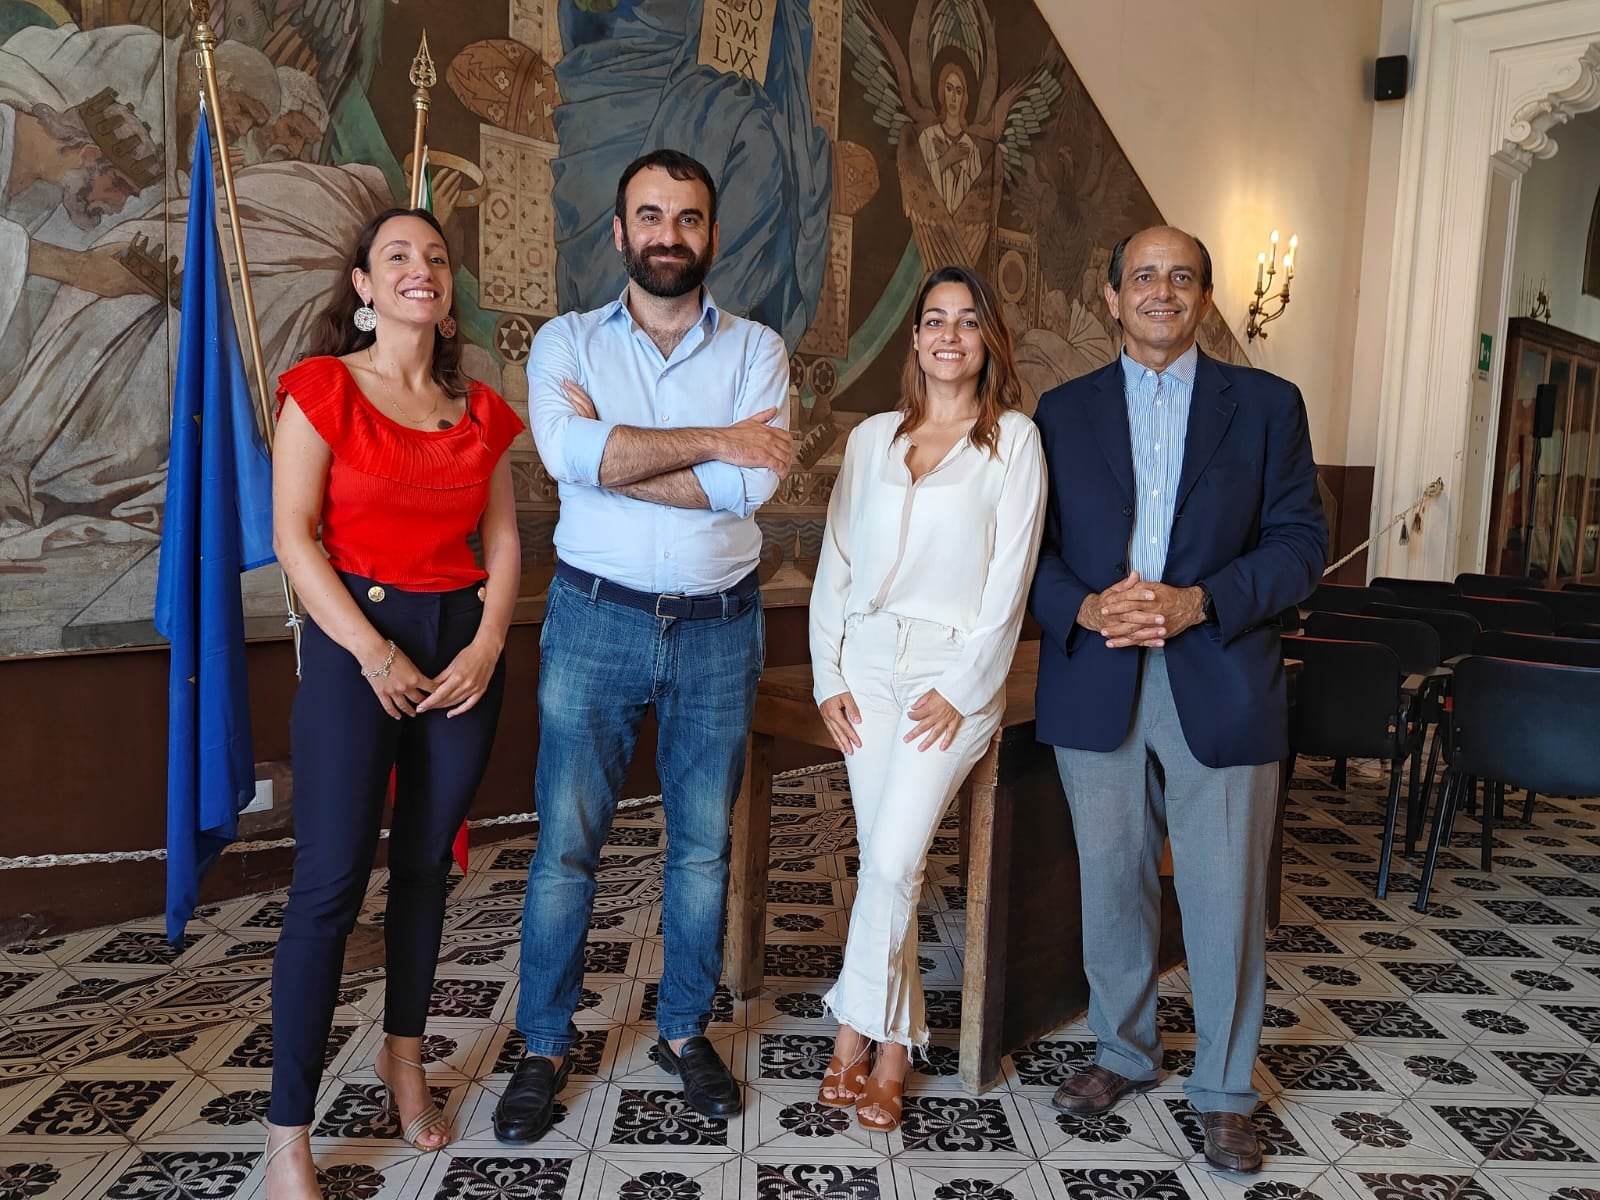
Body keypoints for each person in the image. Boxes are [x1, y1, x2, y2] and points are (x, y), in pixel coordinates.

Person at [494, 149, 792, 1144]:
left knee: (702, 849)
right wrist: (713, 439)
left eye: (688, 217)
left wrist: (613, 457)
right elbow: (565, 456)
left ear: (713, 234)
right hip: (595, 621)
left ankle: (682, 1030)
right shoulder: (567, 341)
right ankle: (544, 1045)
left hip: (719, 631)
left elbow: (749, 491)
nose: (670, 234)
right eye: (651, 217)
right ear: (619, 232)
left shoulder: (757, 350)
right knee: (566, 847)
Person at [1029, 226, 1326, 1173]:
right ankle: (1123, 1051)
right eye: (1144, 276)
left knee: (1223, 894)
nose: (1162, 291)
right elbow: (1026, 550)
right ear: (1112, 296)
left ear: (1205, 298)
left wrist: (1202, 600)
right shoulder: (1059, 412)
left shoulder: (1269, 406)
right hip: (1098, 671)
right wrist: (1084, 606)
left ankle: (1226, 1089)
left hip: (1221, 670)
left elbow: (1300, 546)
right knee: (1111, 879)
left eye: (1182, 277)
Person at [262, 207, 524, 1199]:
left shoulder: (480, 410)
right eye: (398, 256)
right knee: (329, 884)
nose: (423, 268)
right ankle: (289, 1133)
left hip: (461, 654)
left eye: (437, 257)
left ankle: (403, 1059)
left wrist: (488, 644)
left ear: (448, 291)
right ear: (365, 287)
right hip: (354, 648)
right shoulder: (322, 389)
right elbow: (294, 537)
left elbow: (503, 542)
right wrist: (372, 653)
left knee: (422, 871)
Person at [808, 265, 1046, 1131]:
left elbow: (1009, 580)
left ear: (989, 341)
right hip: (867, 664)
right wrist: (829, 676)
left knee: (893, 859)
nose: (950, 335)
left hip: (951, 670)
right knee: (888, 858)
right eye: (935, 320)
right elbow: (837, 561)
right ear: (913, 339)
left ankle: (853, 1033)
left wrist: (966, 686)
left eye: (968, 321)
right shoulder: (873, 439)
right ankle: (895, 1047)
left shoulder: (1013, 442)